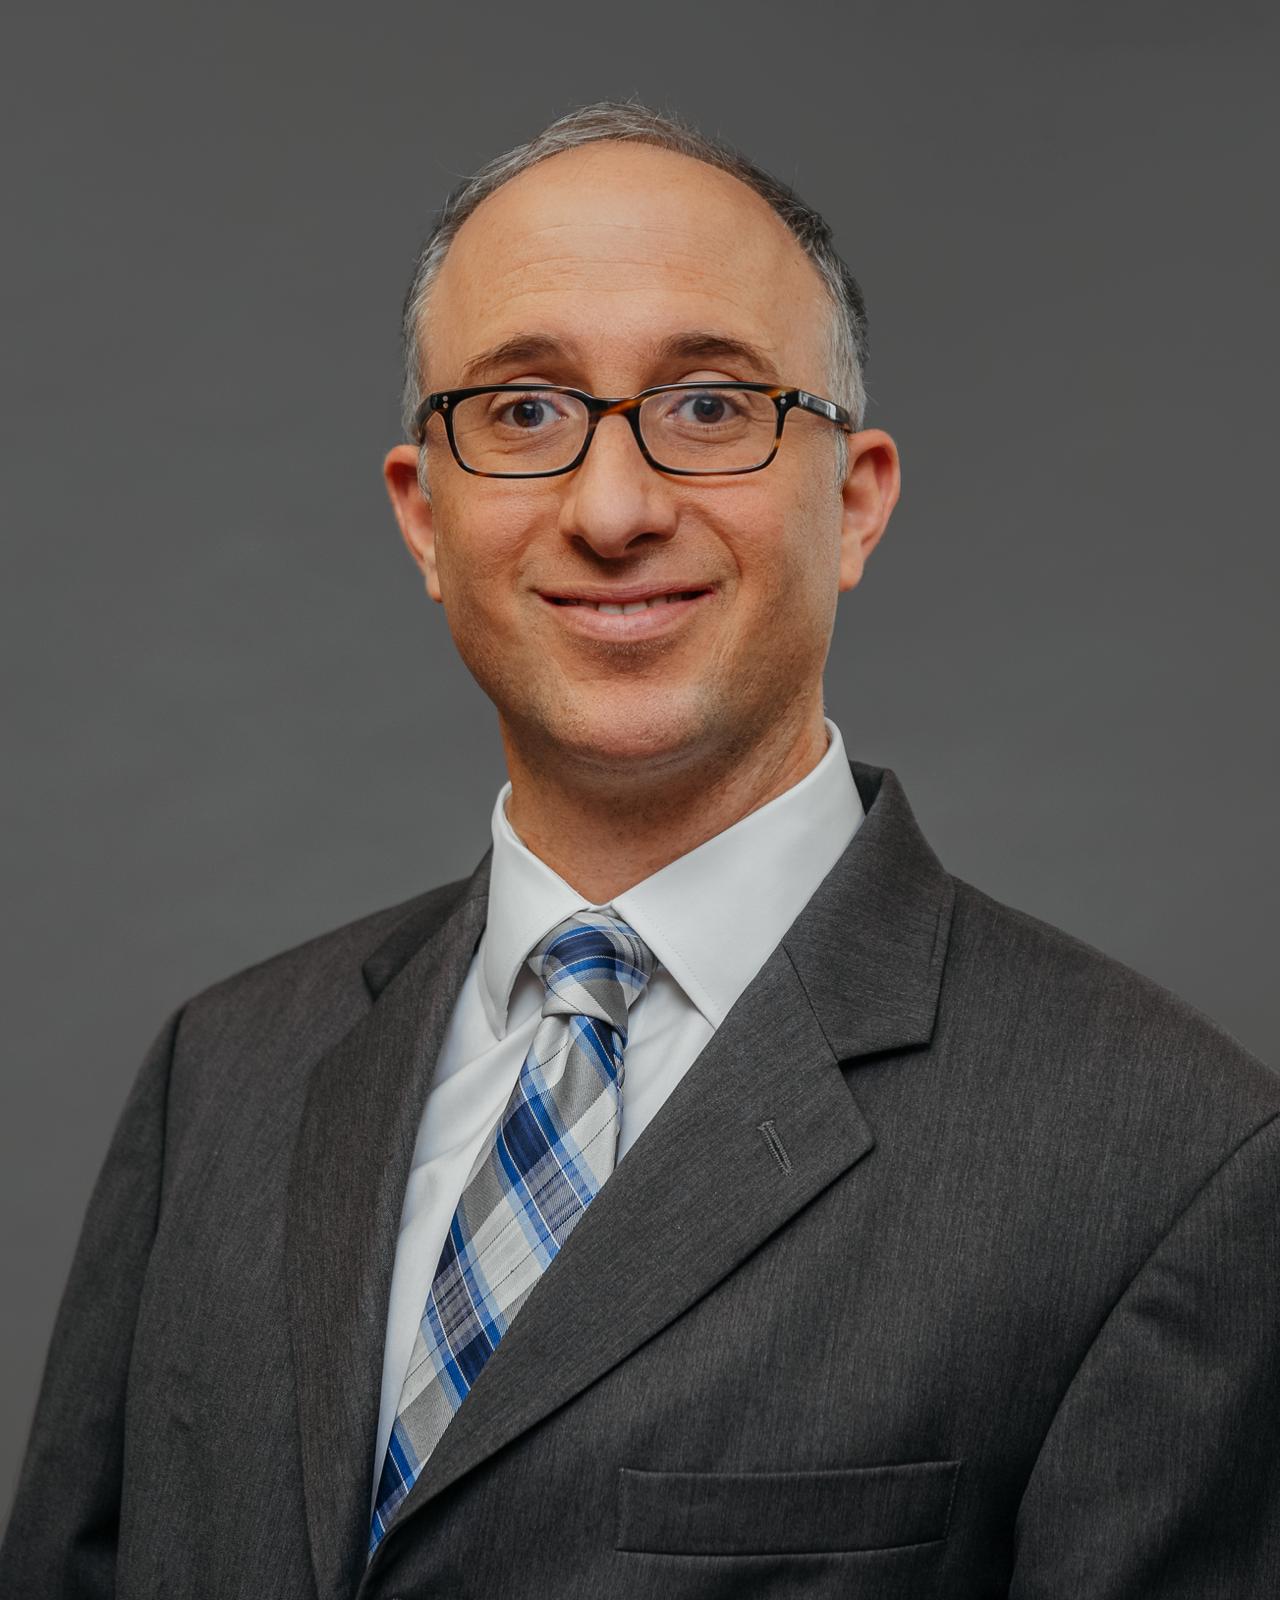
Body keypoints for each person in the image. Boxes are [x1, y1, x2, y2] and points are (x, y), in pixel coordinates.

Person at [2, 100, 1277, 1600]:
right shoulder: (222, 1074)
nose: (613, 510)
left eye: (713, 406)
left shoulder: (1172, 1160)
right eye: (524, 412)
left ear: (855, 501)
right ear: (425, 516)